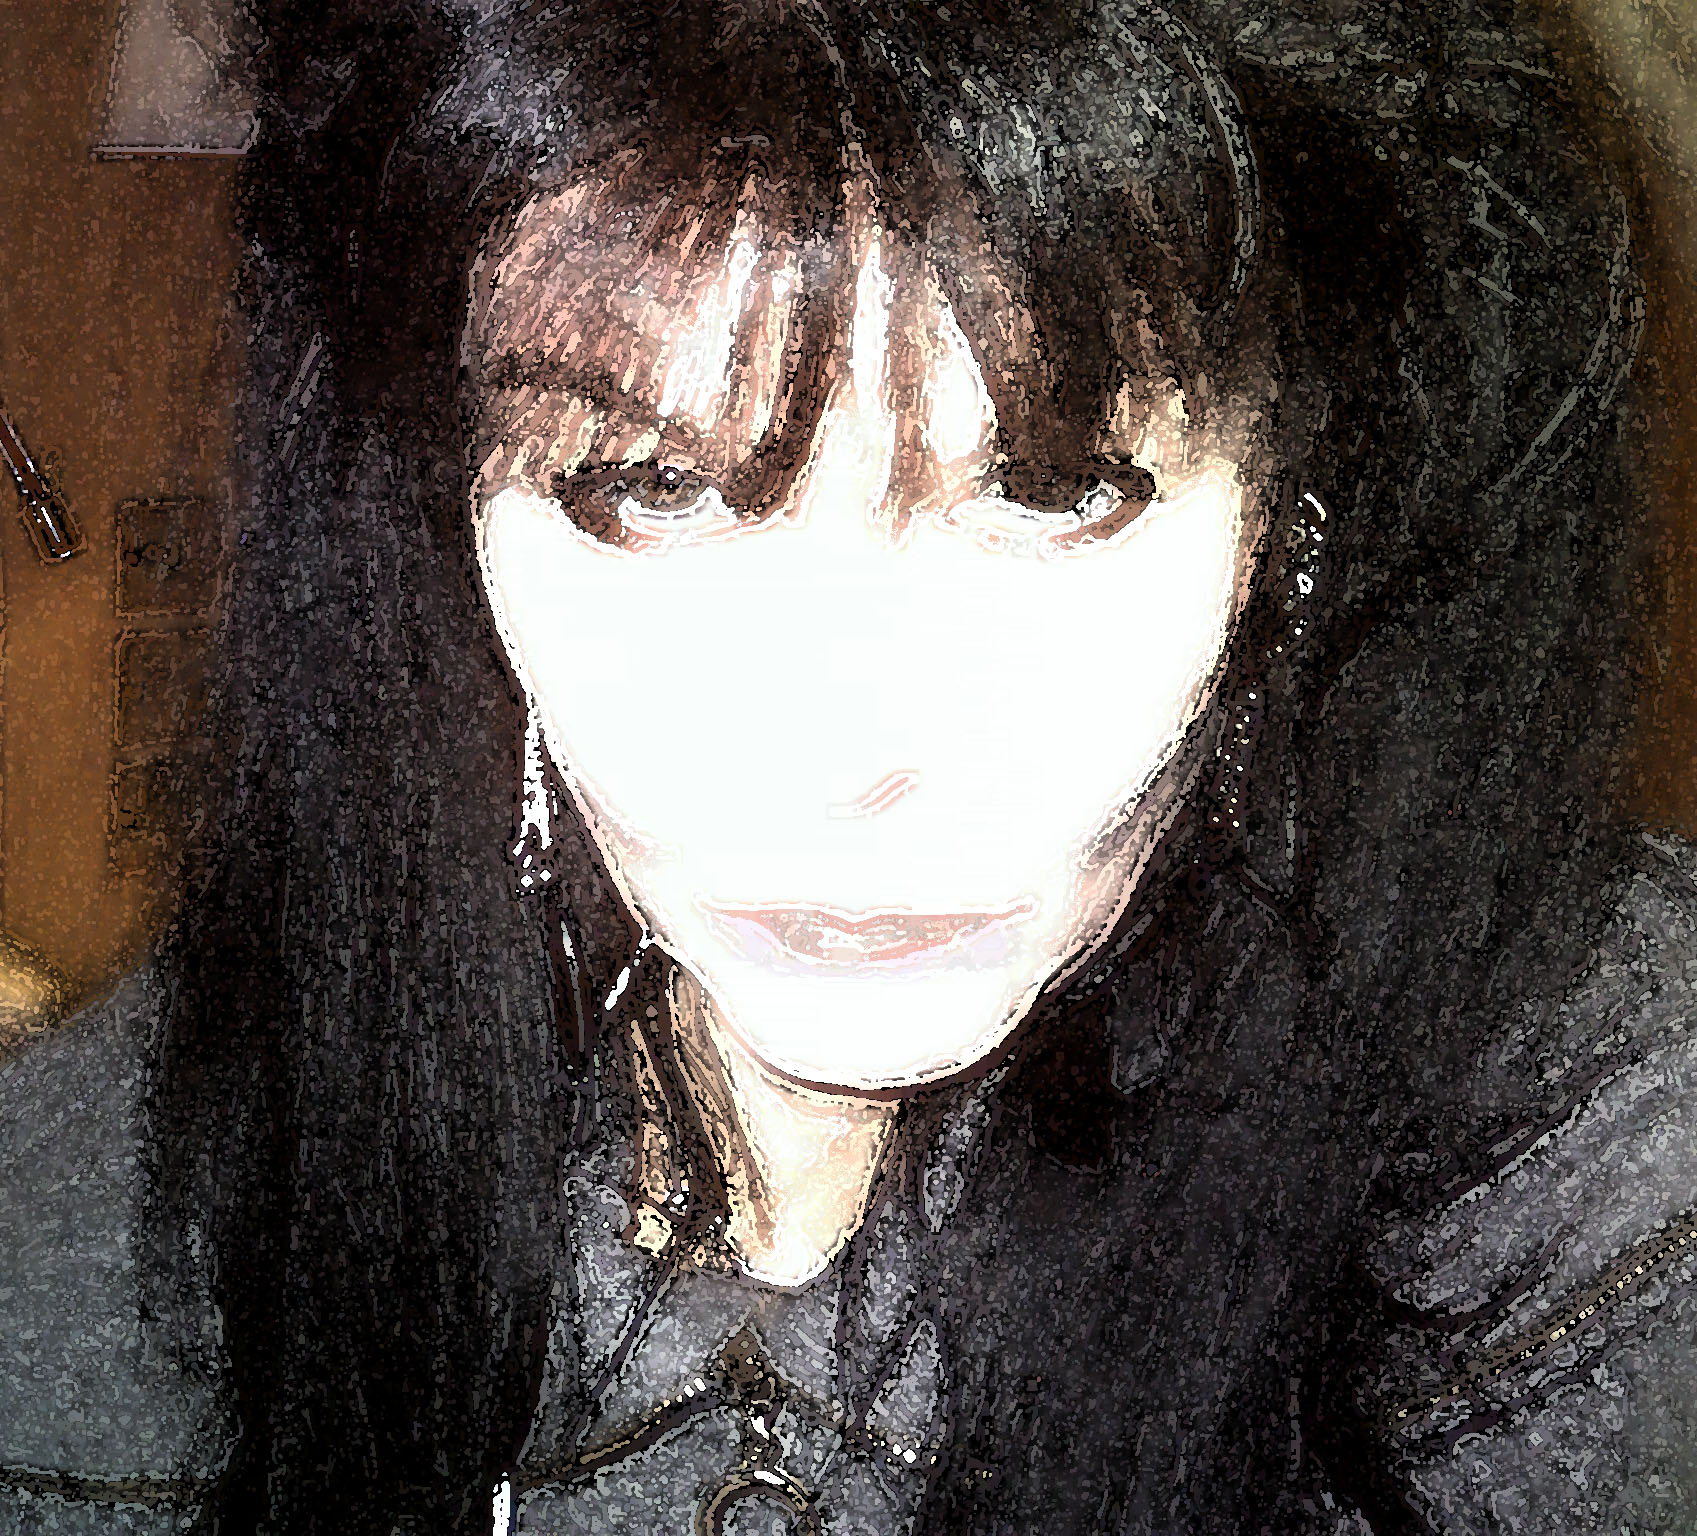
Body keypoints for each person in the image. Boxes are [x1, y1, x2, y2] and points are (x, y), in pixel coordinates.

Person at [3, 0, 1693, 1532]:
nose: (845, 751)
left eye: (1050, 490)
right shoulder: (73, 1249)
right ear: (446, 529)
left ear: (1289, 526)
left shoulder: (1617, 1179)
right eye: (652, 489)